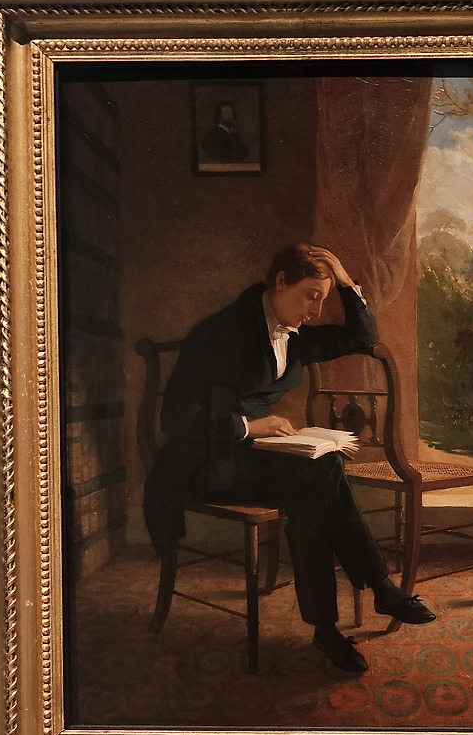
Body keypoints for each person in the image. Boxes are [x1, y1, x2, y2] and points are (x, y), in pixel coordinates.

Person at [143, 243, 434, 674]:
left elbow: (363, 337)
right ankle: (377, 590)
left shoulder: (294, 334)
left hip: (257, 459)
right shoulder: (220, 331)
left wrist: (344, 279)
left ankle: (329, 626)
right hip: (206, 462)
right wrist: (249, 426)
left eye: (323, 299)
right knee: (321, 474)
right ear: (280, 282)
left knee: (312, 491)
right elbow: (175, 417)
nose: (316, 311)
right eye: (310, 296)